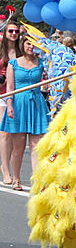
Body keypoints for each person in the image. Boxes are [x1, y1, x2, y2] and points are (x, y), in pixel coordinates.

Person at [1, 38, 49, 190]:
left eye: (34, 44)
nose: (31, 47)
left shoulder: (42, 63)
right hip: (19, 104)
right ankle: (16, 178)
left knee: (36, 145)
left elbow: (49, 82)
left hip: (36, 103)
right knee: (19, 146)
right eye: (28, 43)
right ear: (23, 45)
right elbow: (10, 87)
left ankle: (36, 181)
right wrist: (9, 105)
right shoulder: (13, 63)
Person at [0, 19, 23, 186]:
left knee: (14, 135)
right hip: (1, 93)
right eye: (11, 31)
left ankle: (7, 167)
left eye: (16, 31)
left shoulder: (21, 51)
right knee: (5, 132)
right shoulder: (1, 51)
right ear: (5, 34)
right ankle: (6, 170)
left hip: (17, 94)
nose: (14, 34)